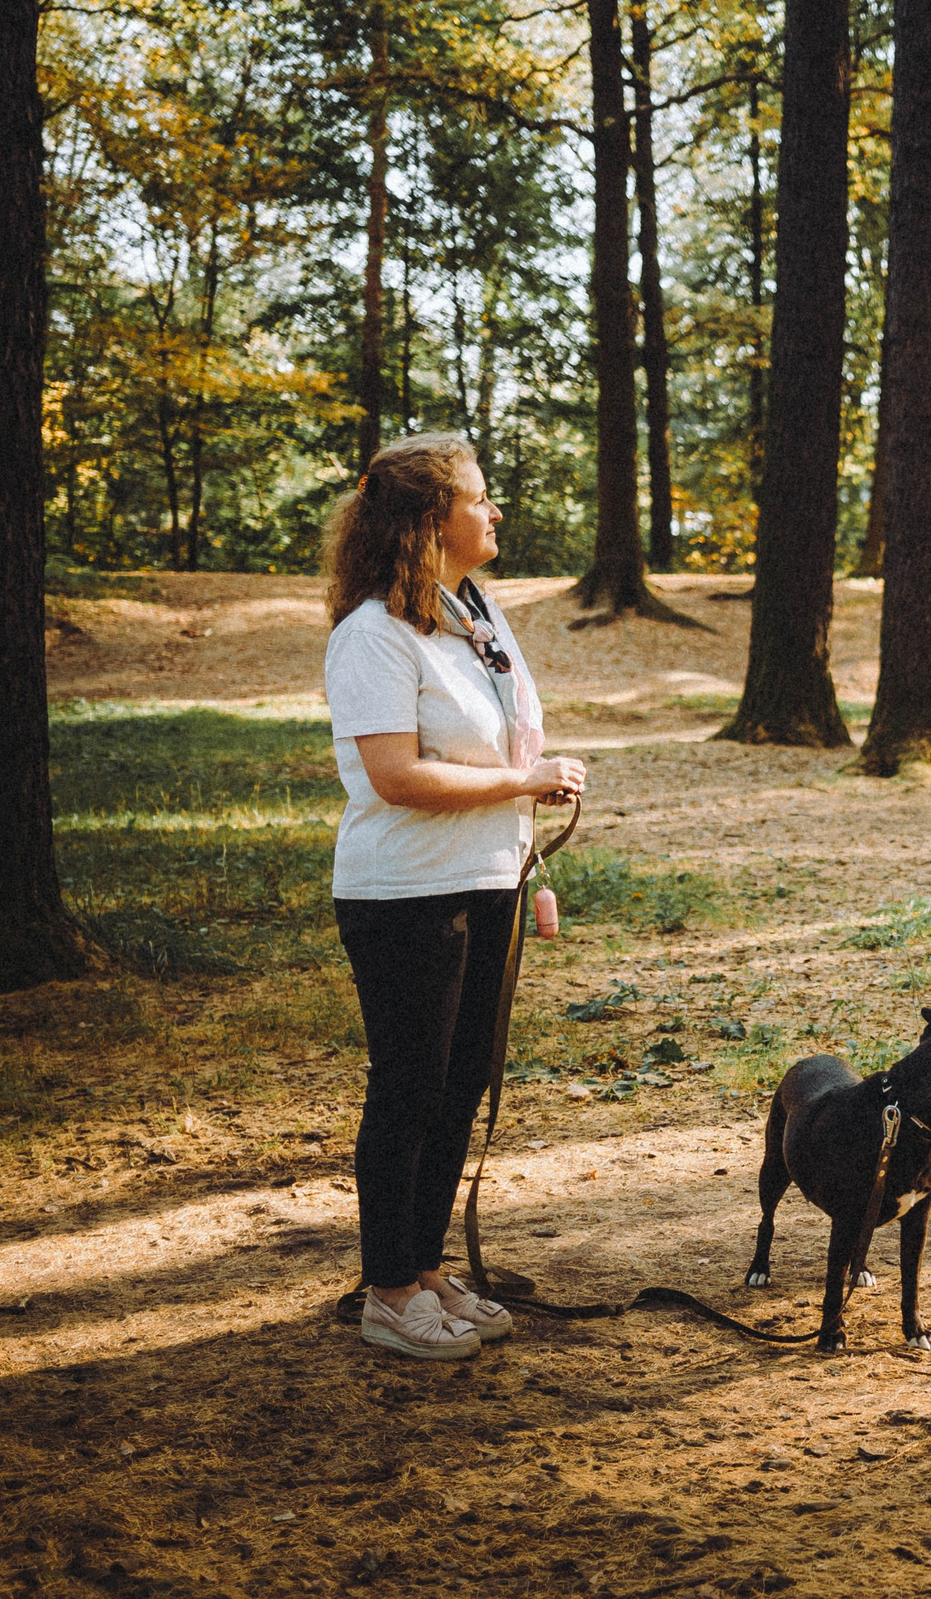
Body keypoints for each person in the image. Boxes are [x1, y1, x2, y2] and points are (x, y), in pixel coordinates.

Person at [321, 433, 587, 1360]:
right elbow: (394, 774)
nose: (495, 510)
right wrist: (524, 785)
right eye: (479, 498)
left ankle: (425, 1264)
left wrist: (533, 794)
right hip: (405, 895)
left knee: (462, 1080)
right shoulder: (371, 635)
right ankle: (388, 1290)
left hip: (489, 881)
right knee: (410, 1087)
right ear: (431, 521)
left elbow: (497, 744)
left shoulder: (475, 615)